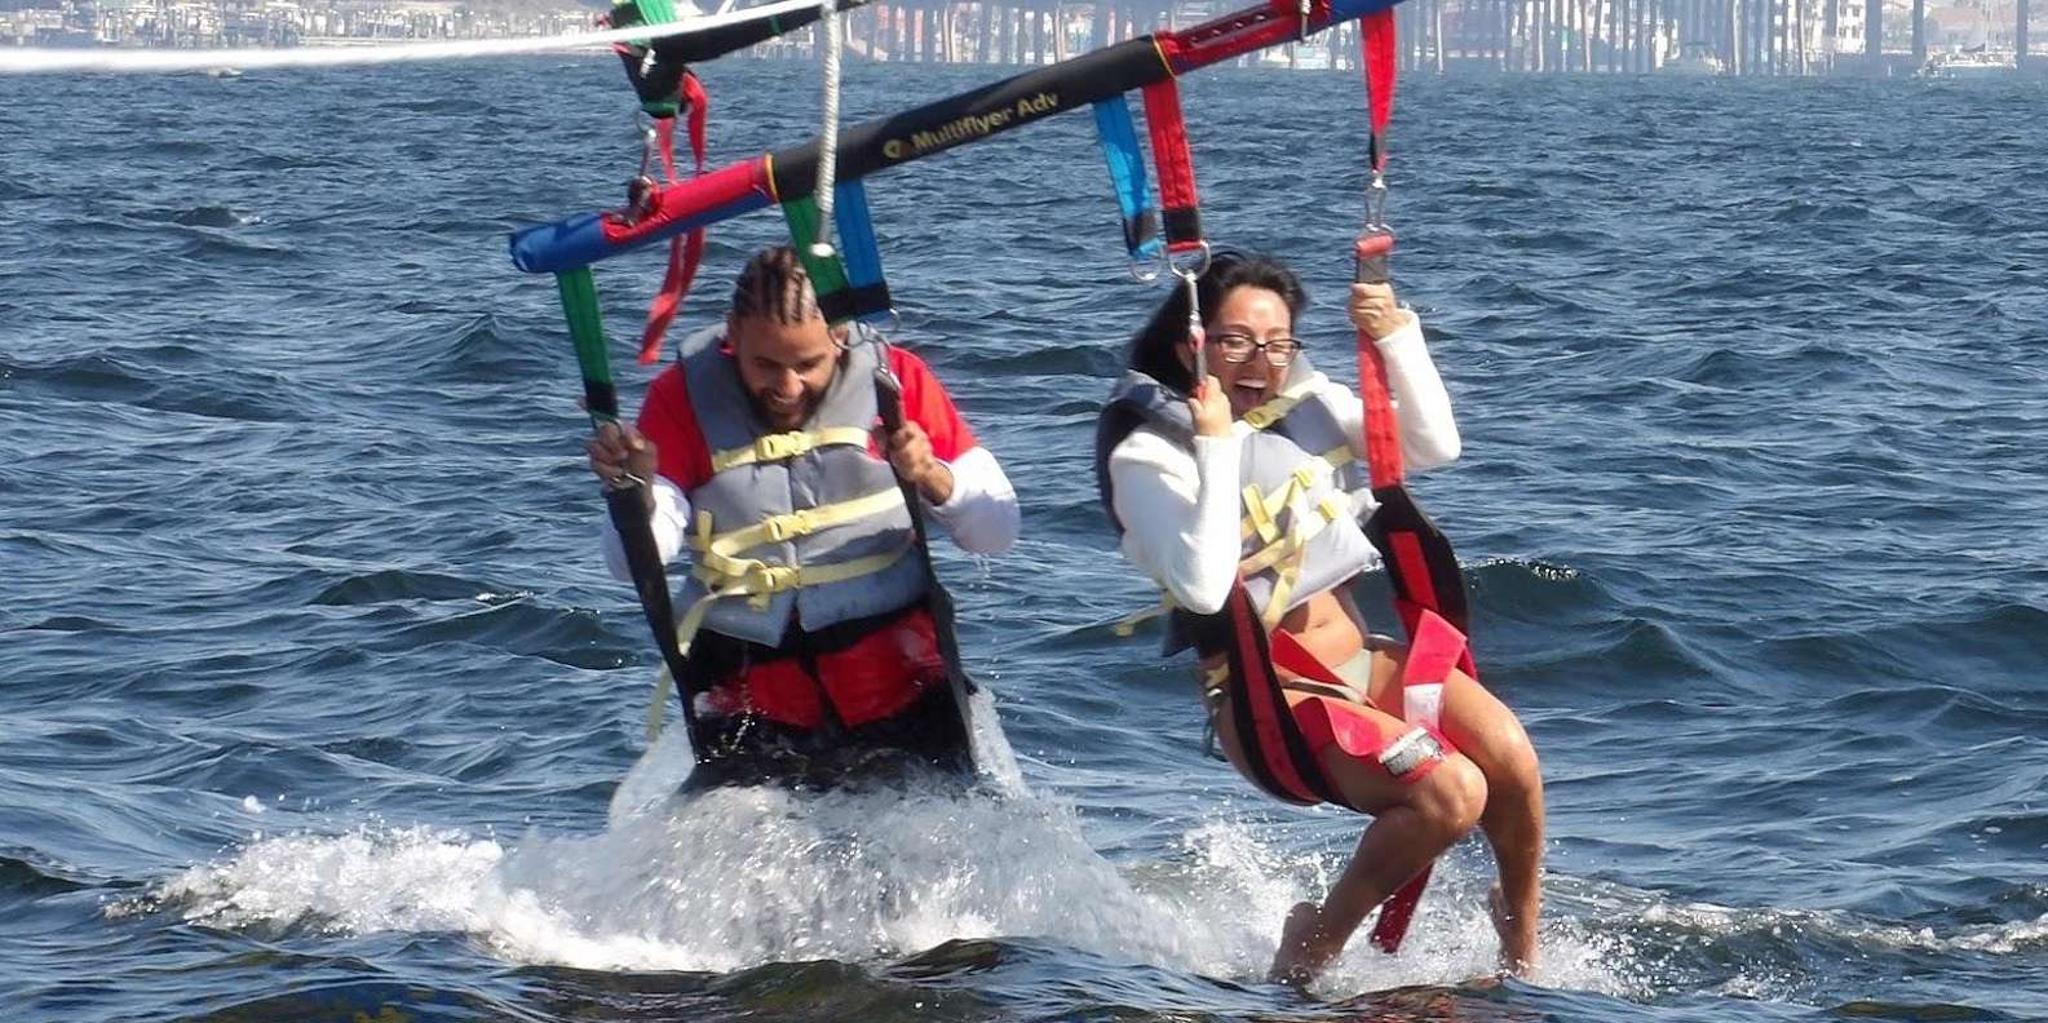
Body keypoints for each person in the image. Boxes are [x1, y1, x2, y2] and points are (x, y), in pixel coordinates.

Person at [1093, 250, 1544, 981]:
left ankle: (1521, 954)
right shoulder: (1149, 454)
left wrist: (1396, 332)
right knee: (1451, 791)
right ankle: (1309, 948)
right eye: (1236, 340)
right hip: (1270, 696)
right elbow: (1207, 589)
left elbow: (1431, 445)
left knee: (1513, 762)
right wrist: (1212, 443)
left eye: (1277, 343)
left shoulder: (1304, 406)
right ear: (1192, 343)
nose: (1259, 361)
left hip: (1360, 656)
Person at [587, 245, 1020, 789]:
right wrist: (635, 490)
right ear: (732, 336)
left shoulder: (897, 382)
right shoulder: (681, 400)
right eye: (765, 364)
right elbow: (632, 563)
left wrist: (932, 474)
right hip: (750, 692)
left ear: (839, 336)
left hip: (900, 679)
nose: (787, 387)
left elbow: (997, 531)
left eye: (807, 364)